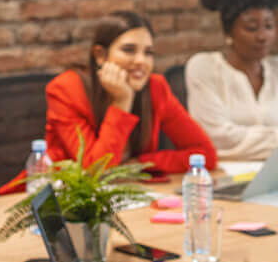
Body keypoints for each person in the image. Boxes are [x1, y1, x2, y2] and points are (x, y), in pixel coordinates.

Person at [43, 10, 217, 174]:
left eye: (148, 53)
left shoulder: (156, 88)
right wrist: (122, 102)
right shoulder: (67, 89)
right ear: (100, 56)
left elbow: (205, 155)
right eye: (129, 50)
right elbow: (95, 171)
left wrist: (141, 164)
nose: (141, 61)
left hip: (129, 195)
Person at [185, 0, 278, 159]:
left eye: (269, 26)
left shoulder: (275, 68)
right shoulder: (204, 68)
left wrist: (245, 140)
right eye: (251, 27)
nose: (262, 36)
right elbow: (215, 138)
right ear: (228, 31)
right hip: (224, 178)